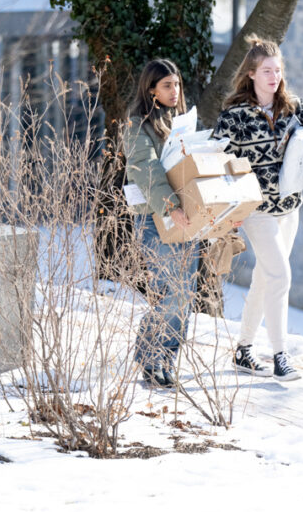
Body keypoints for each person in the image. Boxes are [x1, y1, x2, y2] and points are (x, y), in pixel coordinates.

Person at [213, 35, 303, 382]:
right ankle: (280, 356)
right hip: (256, 211)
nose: (274, 77)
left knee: (266, 277)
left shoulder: (294, 106)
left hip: (290, 208)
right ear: (252, 73)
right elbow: (217, 164)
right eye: (267, 70)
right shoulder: (235, 117)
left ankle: (243, 350)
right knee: (280, 277)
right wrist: (231, 210)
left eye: (278, 70)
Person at [122, 58, 196, 389]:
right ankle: (151, 359)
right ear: (150, 90)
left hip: (187, 219)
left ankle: (165, 359)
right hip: (155, 221)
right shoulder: (138, 126)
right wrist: (170, 206)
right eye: (167, 85)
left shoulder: (182, 124)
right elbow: (145, 168)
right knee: (171, 292)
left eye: (177, 84)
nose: (174, 91)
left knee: (185, 295)